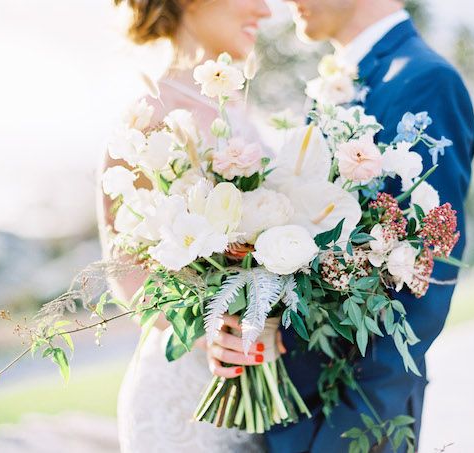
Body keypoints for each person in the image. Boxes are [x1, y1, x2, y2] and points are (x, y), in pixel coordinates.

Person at [263, 1, 474, 452]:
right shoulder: (335, 82)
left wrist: (348, 438)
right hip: (288, 412)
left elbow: (422, 285)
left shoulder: (425, 80)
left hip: (351, 423)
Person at [99, 1, 271, 452]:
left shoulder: (236, 103)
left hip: (255, 386)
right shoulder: (148, 112)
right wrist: (203, 330)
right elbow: (125, 272)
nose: (267, 9)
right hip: (183, 400)